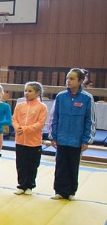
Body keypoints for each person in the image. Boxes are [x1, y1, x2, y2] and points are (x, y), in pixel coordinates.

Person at [50, 68, 96, 201]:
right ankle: (59, 191)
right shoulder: (60, 96)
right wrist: (53, 136)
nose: (68, 81)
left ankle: (71, 192)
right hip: (61, 138)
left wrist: (86, 140)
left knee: (73, 166)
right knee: (60, 165)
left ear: (80, 81)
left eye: (72, 79)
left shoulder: (87, 98)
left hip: (77, 139)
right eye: (67, 78)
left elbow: (90, 120)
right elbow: (54, 117)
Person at [12, 82, 47, 195]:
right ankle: (21, 185)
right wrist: (17, 128)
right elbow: (14, 119)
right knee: (21, 164)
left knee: (32, 165)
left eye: (30, 91)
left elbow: (40, 123)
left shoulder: (42, 107)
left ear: (37, 93)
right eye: (25, 90)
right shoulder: (20, 106)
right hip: (20, 140)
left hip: (34, 142)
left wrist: (25, 129)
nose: (26, 93)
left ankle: (30, 186)